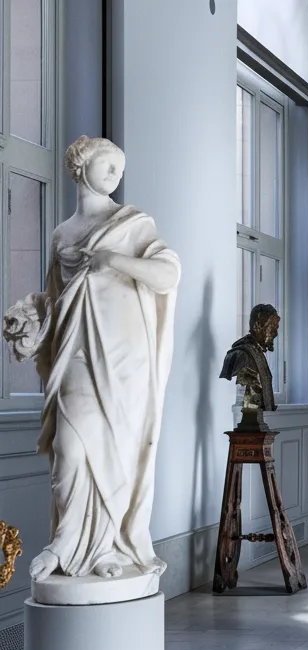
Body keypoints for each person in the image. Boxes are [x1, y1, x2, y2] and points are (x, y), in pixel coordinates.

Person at [4, 136, 180, 594]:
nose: (116, 174)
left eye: (120, 167)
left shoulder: (133, 223)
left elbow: (168, 274)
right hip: (75, 350)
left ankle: (108, 548)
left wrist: (115, 260)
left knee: (116, 451)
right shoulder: (61, 235)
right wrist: (29, 323)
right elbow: (56, 299)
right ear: (81, 168)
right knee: (69, 446)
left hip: (124, 358)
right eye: (108, 165)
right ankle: (67, 542)